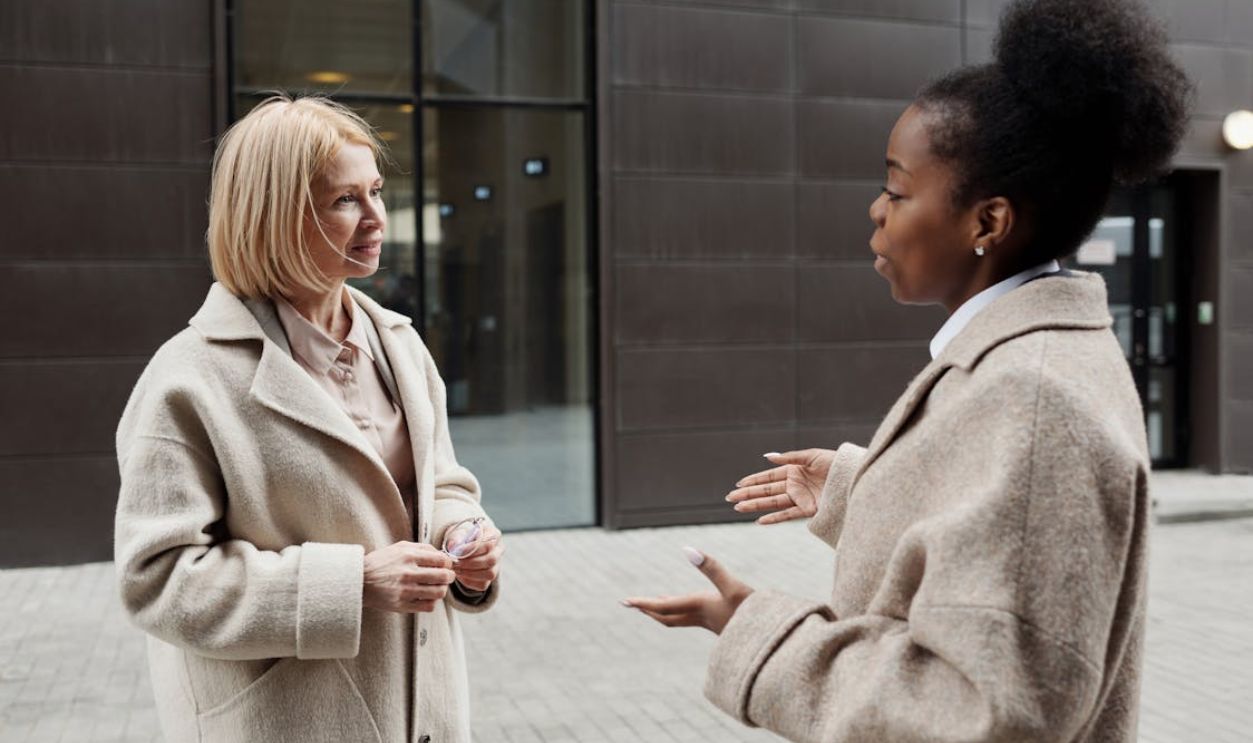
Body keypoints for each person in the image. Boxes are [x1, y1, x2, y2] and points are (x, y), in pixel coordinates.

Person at [625, 0, 1192, 740]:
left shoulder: (1034, 396)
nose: (875, 211)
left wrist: (762, 635)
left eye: (896, 191)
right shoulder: (1025, 363)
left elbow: (982, 711)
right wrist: (868, 491)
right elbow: (996, 546)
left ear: (986, 222)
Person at [114, 95, 504, 743]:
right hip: (286, 722)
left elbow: (443, 481)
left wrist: (465, 535)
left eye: (375, 190)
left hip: (424, 715)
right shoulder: (188, 377)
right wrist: (352, 583)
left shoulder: (400, 342)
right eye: (343, 200)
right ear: (273, 216)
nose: (377, 218)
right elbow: (158, 583)